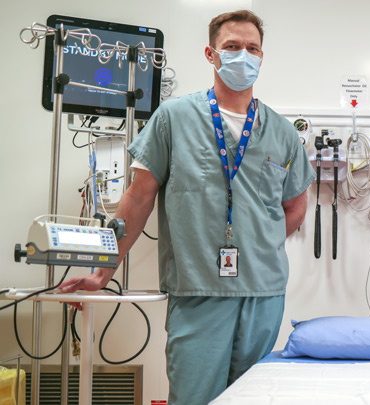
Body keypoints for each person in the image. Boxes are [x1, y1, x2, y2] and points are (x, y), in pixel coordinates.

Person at [59, 10, 315, 404]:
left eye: (252, 48)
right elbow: (138, 199)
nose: (242, 56)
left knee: (254, 398)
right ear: (211, 54)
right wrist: (101, 271)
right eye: (232, 47)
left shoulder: (281, 132)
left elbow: (296, 207)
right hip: (198, 291)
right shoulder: (173, 119)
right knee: (194, 397)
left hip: (263, 294)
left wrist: (256, 246)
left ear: (262, 57)